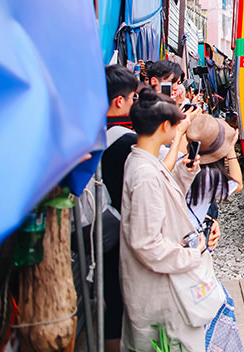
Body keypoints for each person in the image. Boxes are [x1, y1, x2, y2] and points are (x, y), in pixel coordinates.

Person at [119, 90, 213, 352]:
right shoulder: (145, 174)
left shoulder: (141, 162)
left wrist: (183, 173)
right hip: (158, 288)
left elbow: (164, 203)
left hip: (160, 283)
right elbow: (146, 243)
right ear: (164, 126)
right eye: (176, 126)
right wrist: (193, 256)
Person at [184, 115, 244, 352]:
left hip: (182, 245)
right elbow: (238, 183)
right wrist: (230, 151)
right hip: (193, 251)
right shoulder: (211, 179)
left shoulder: (180, 167)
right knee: (217, 306)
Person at [99, 65, 140, 352]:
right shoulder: (127, 143)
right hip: (121, 231)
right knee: (119, 300)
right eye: (132, 98)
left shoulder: (91, 133)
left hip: (97, 225)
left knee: (108, 297)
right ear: (119, 102)